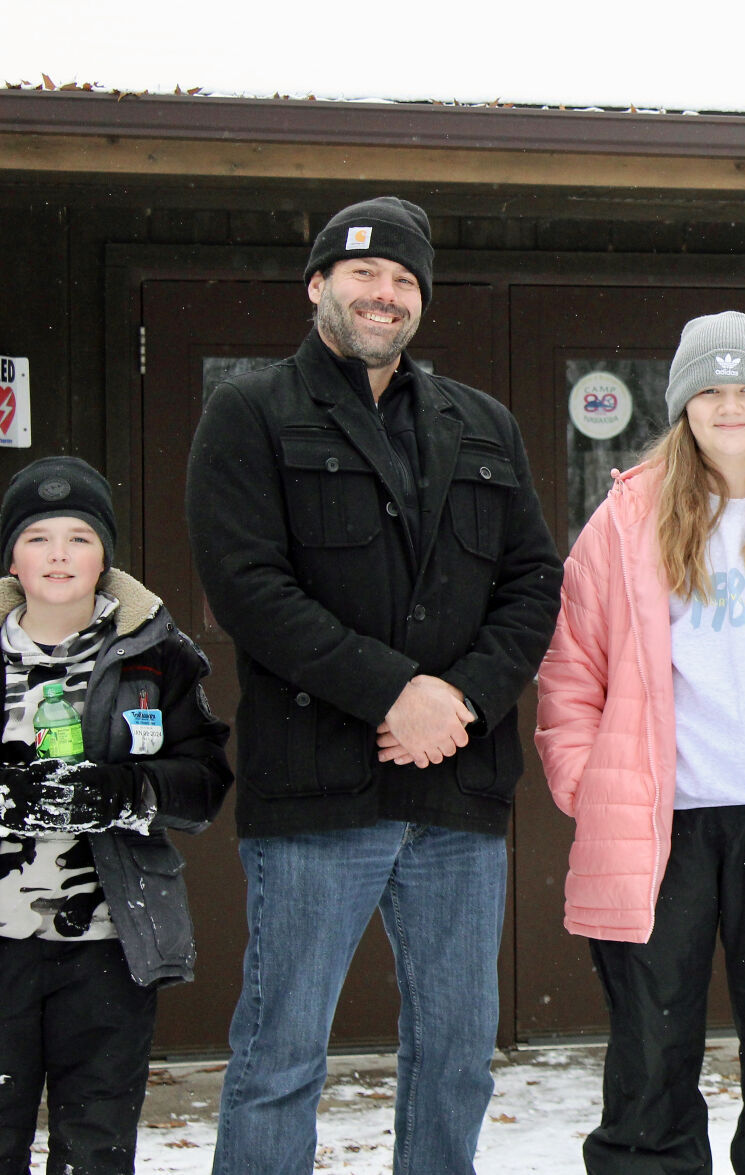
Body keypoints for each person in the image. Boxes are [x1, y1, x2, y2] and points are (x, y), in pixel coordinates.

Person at [184, 196, 562, 1175]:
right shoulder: (251, 412)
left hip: (456, 790)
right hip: (316, 792)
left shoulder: (481, 423)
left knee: (454, 1056)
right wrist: (397, 691)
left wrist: (463, 699)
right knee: (282, 1053)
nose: (383, 294)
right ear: (318, 286)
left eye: (402, 279)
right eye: (362, 274)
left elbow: (531, 578)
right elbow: (248, 587)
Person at [536, 310, 745, 1173]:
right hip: (664, 823)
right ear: (683, 403)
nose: (731, 405)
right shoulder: (624, 521)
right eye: (711, 389)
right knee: (650, 1055)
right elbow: (569, 670)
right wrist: (591, 782)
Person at [0, 456, 231, 1174]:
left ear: (105, 555)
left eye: (79, 536)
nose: (60, 554)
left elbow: (204, 782)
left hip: (108, 942)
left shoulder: (157, 654)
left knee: (96, 1143)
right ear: (12, 554)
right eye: (39, 536)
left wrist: (124, 792)